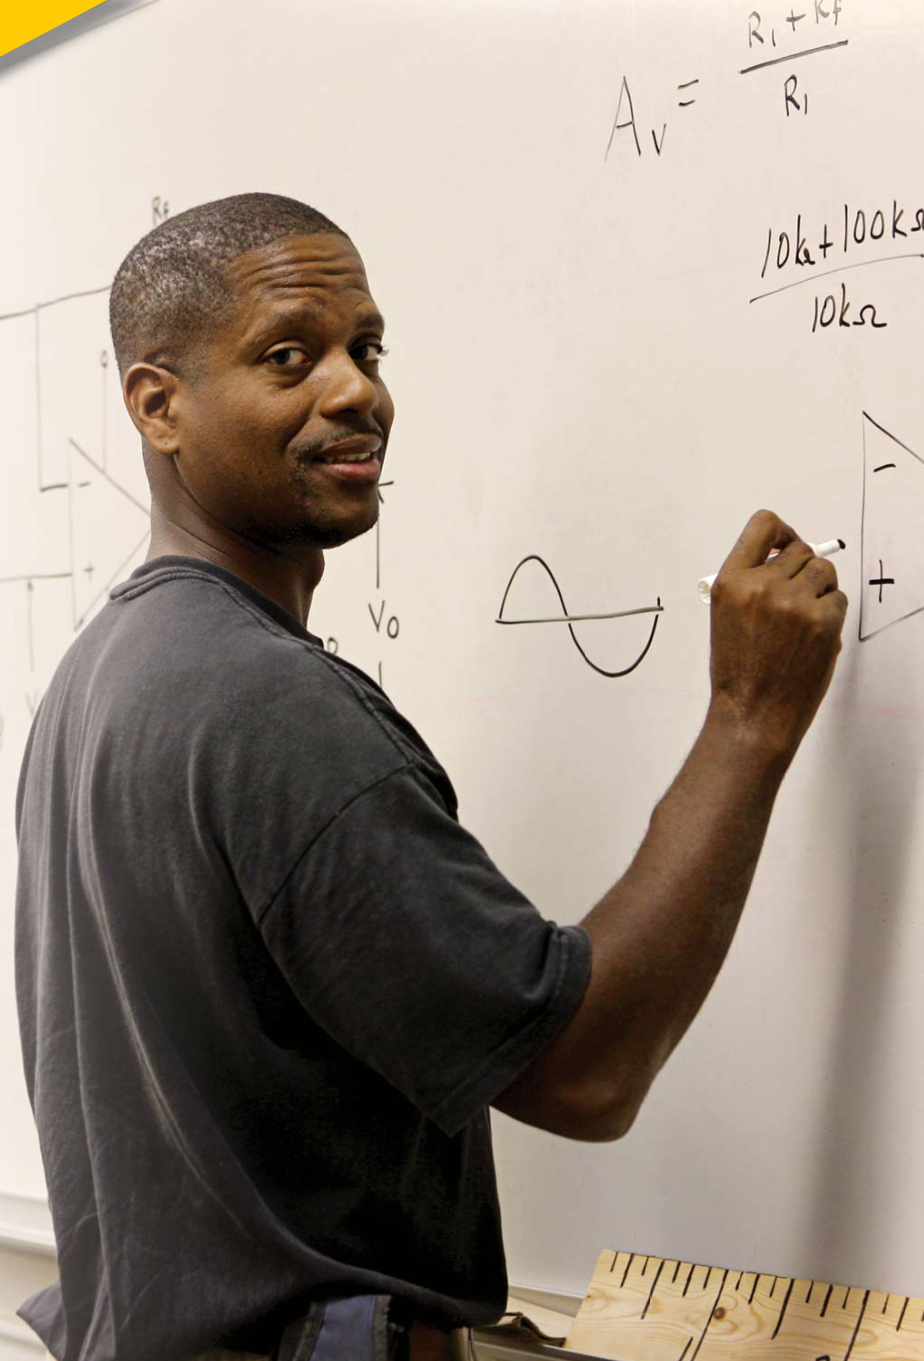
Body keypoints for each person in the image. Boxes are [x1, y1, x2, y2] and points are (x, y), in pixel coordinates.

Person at [13, 192, 848, 1361]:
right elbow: (583, 1072)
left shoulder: (99, 677)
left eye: (366, 348)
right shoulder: (267, 705)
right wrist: (748, 719)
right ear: (160, 404)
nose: (355, 389)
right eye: (287, 356)